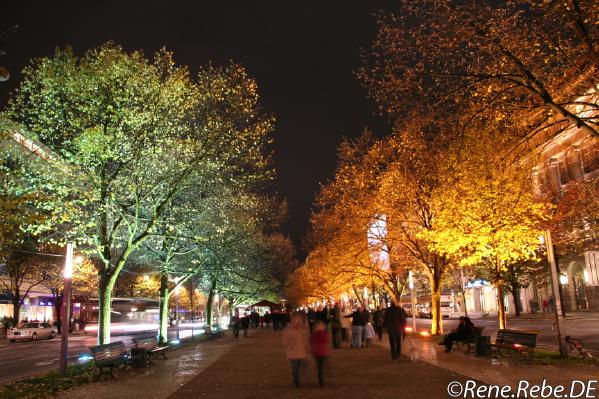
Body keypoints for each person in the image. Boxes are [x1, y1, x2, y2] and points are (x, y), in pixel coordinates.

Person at [282, 313, 311, 388]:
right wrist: (289, 346)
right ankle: (296, 382)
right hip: (293, 353)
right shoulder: (288, 330)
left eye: (300, 319)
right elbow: (285, 341)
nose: (298, 321)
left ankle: (300, 380)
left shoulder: (303, 329)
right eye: (297, 319)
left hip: (301, 351)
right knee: (295, 368)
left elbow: (306, 339)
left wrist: (307, 347)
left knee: (301, 367)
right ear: (293, 320)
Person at [310, 321, 330, 387]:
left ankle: (322, 381)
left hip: (321, 352)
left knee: (320, 368)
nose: (321, 327)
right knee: (320, 368)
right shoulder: (318, 334)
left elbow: (326, 340)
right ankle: (321, 383)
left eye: (321, 326)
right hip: (319, 353)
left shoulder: (315, 334)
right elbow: (325, 339)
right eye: (319, 326)